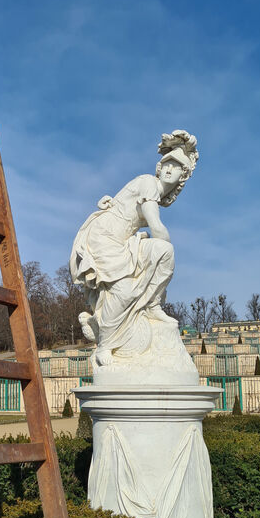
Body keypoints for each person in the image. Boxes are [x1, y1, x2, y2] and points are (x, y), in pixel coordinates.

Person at [70, 130, 198, 366]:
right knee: (127, 289)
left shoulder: (157, 194)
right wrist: (155, 252)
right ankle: (105, 344)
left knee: (163, 252)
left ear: (183, 175)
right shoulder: (149, 183)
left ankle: (152, 304)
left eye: (176, 166)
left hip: (121, 240)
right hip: (103, 237)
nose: (169, 169)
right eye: (167, 163)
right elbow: (157, 227)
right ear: (159, 168)